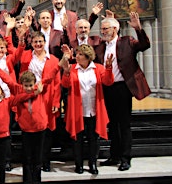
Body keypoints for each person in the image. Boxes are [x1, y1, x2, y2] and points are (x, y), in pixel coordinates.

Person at [95, 12, 151, 171]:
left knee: (124, 124)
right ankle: (114, 156)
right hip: (107, 88)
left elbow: (145, 45)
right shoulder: (100, 46)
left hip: (123, 88)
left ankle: (126, 158)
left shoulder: (127, 41)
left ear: (115, 29)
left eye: (106, 28)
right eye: (102, 29)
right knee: (112, 124)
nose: (103, 31)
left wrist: (138, 29)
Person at [61, 44, 114, 174]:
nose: (77, 57)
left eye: (79, 54)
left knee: (93, 138)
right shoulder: (72, 68)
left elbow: (108, 82)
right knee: (77, 138)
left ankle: (92, 164)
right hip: (77, 109)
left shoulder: (98, 68)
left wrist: (108, 68)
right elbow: (65, 84)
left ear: (87, 57)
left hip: (93, 109)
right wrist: (66, 72)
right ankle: (78, 164)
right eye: (77, 54)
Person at [18, 31, 61, 172]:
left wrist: (55, 102)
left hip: (47, 96)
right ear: (31, 43)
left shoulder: (53, 59)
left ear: (45, 43)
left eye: (40, 42)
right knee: (31, 127)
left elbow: (56, 82)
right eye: (35, 42)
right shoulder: (26, 56)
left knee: (46, 129)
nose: (38, 44)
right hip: (29, 96)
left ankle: (45, 160)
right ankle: (31, 160)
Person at [12, 71, 45, 184]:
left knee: (37, 160)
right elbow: (8, 81)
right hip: (26, 130)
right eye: (26, 86)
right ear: (22, 85)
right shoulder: (20, 95)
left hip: (40, 129)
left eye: (31, 85)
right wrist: (35, 92)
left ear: (34, 84)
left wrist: (64, 60)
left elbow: (51, 75)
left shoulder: (39, 91)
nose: (29, 88)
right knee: (27, 159)